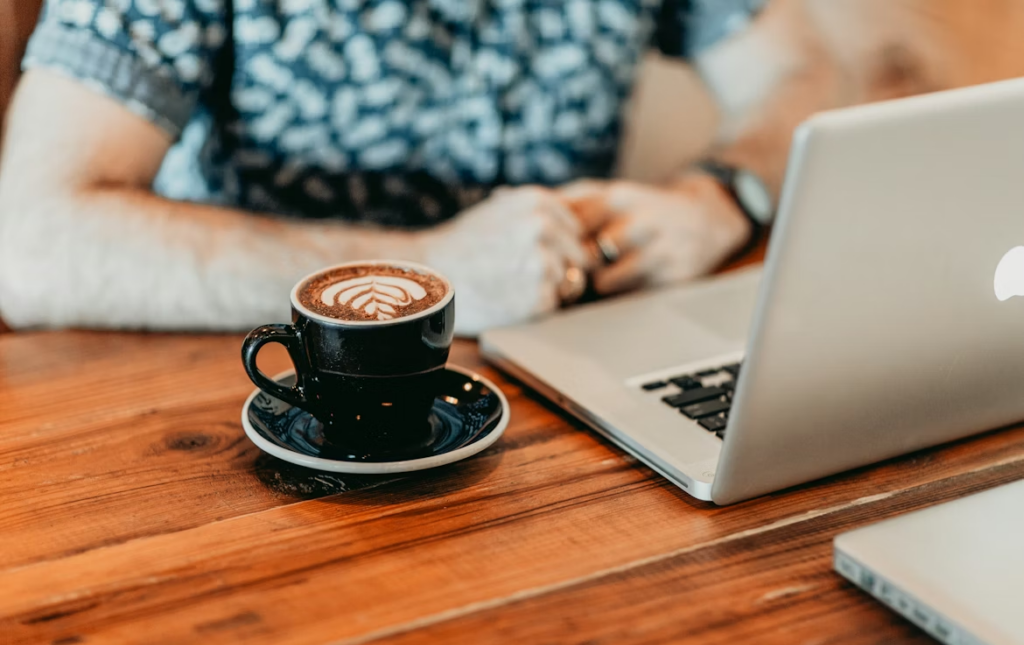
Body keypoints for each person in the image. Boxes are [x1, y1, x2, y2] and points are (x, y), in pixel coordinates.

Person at [4, 0, 1018, 335]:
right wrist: (426, 274)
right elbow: (33, 241)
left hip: (558, 376)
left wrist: (722, 195)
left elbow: (796, 67)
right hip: (254, 395)